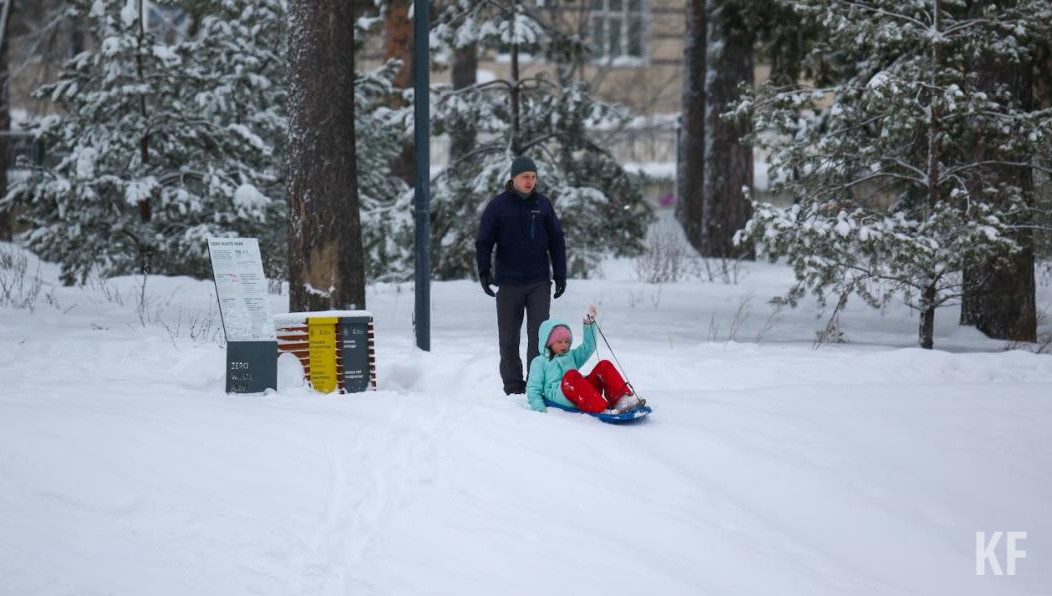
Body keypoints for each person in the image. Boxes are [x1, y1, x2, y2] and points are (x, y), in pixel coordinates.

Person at [476, 155, 567, 395]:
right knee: (509, 339)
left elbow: (557, 240)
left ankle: (535, 384)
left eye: (534, 177)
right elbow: (484, 241)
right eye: (526, 176)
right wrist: (484, 271)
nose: (530, 181)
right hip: (508, 282)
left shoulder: (543, 204)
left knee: (538, 337)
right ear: (514, 178)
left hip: (538, 281)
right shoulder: (498, 206)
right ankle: (514, 386)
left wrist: (560, 274)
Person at [526, 305, 645, 414]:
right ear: (548, 342)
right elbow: (533, 389)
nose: (564, 345)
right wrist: (538, 408)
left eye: (567, 342)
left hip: (584, 394)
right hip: (560, 396)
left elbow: (588, 347)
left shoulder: (571, 355)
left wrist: (589, 324)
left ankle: (622, 401)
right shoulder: (539, 362)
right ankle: (601, 409)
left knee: (604, 365)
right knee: (571, 375)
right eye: (559, 342)